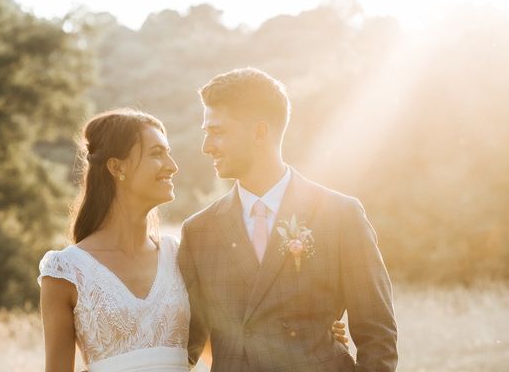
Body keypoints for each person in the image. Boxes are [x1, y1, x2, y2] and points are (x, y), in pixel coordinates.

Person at [38, 108, 349, 372]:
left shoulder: (182, 256)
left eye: (169, 153)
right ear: (117, 167)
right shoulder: (65, 271)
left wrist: (313, 333)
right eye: (157, 154)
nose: (173, 166)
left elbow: (230, 342)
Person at [178, 68, 398, 371]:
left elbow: (378, 335)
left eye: (218, 132)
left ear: (259, 132)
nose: (207, 146)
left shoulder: (340, 215)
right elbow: (186, 345)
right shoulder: (198, 231)